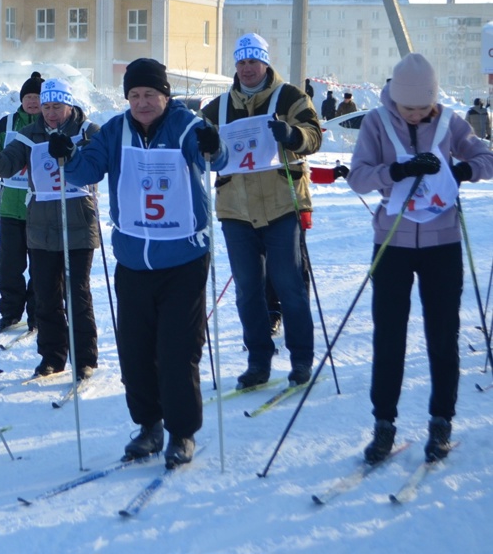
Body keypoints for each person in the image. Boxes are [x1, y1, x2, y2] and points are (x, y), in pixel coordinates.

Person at [60, 58, 228, 468]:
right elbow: (85, 172)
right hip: (133, 259)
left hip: (183, 257)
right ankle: (149, 426)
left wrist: (212, 145)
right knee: (134, 350)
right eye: (134, 95)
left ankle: (182, 432)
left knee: (177, 349)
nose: (142, 102)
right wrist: (66, 154)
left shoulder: (184, 124)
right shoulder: (115, 131)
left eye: (150, 94)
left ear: (165, 95)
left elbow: (215, 159)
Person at [347, 53, 493, 464]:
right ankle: (384, 425)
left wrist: (460, 171)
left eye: (421, 108)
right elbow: (358, 176)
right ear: (393, 97)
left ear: (432, 100)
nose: (413, 115)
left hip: (442, 244)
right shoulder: (377, 122)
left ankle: (441, 421)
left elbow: (487, 159)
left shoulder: (451, 123)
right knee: (388, 336)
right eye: (406, 107)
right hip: (391, 242)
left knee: (442, 336)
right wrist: (395, 171)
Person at [201, 33, 322, 390]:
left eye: (253, 62)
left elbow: (314, 135)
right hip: (235, 209)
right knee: (248, 289)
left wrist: (292, 134)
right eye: (241, 63)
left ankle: (301, 359)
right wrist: (205, 148)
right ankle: (258, 362)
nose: (247, 69)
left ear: (265, 63)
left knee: (289, 285)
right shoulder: (217, 107)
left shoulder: (290, 97)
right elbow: (198, 150)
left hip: (282, 203)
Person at [0, 78, 100, 379]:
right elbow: (6, 166)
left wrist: (74, 153)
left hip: (78, 224)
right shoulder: (28, 134)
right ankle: (52, 357)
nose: (50, 113)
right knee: (46, 295)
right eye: (46, 107)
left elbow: (100, 163)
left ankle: (84, 358)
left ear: (69, 105)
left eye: (57, 106)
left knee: (77, 293)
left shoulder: (87, 131)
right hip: (41, 226)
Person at [0, 71, 44, 332]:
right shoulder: (9, 122)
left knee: (41, 267)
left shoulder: (51, 123)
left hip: (41, 209)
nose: (32, 102)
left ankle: (38, 313)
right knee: (9, 266)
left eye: (37, 97)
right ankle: (10, 312)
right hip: (11, 208)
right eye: (28, 97)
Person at [264, 162, 349, 336]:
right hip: (272, 215)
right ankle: (273, 312)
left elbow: (305, 172)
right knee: (270, 264)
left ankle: (300, 313)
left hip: (296, 215)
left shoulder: (296, 145)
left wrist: (332, 174)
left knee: (298, 266)